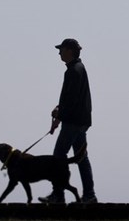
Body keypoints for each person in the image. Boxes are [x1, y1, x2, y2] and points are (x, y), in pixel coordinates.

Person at [39, 38, 97, 204]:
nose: (59, 53)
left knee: (58, 156)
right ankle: (89, 195)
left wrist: (59, 115)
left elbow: (70, 100)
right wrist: (59, 113)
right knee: (81, 158)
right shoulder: (78, 68)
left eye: (61, 49)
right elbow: (70, 99)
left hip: (73, 121)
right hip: (80, 121)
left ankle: (58, 195)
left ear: (69, 50)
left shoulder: (73, 71)